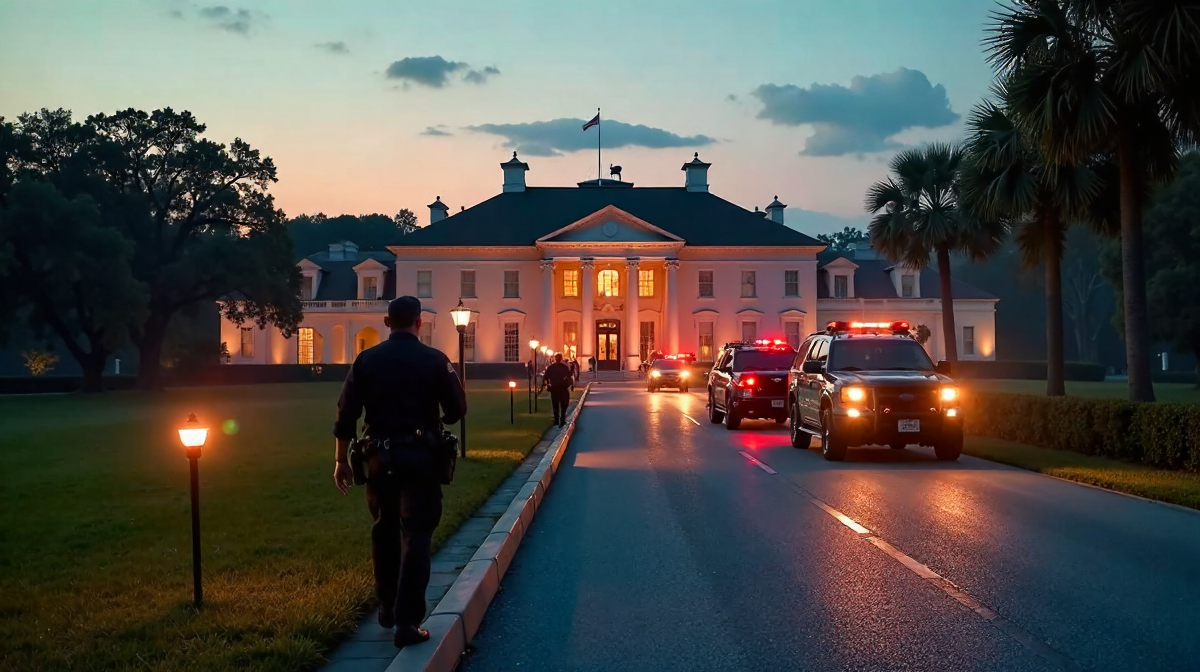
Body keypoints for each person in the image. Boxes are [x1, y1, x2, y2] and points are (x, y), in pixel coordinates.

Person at [333, 296, 467, 649]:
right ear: (419, 322)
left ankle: (387, 608)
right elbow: (457, 409)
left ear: (387, 322)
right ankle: (407, 622)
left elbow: (346, 415)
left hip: (378, 456)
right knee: (417, 535)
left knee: (384, 530)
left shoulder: (366, 360)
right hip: (420, 457)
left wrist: (340, 461)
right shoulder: (435, 360)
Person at [540, 353, 574, 427]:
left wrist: (546, 384)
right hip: (563, 389)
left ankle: (556, 420)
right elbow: (569, 376)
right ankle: (562, 419)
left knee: (555, 405)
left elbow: (545, 377)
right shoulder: (564, 367)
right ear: (561, 358)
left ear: (555, 358)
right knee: (564, 404)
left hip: (555, 388)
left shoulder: (551, 367)